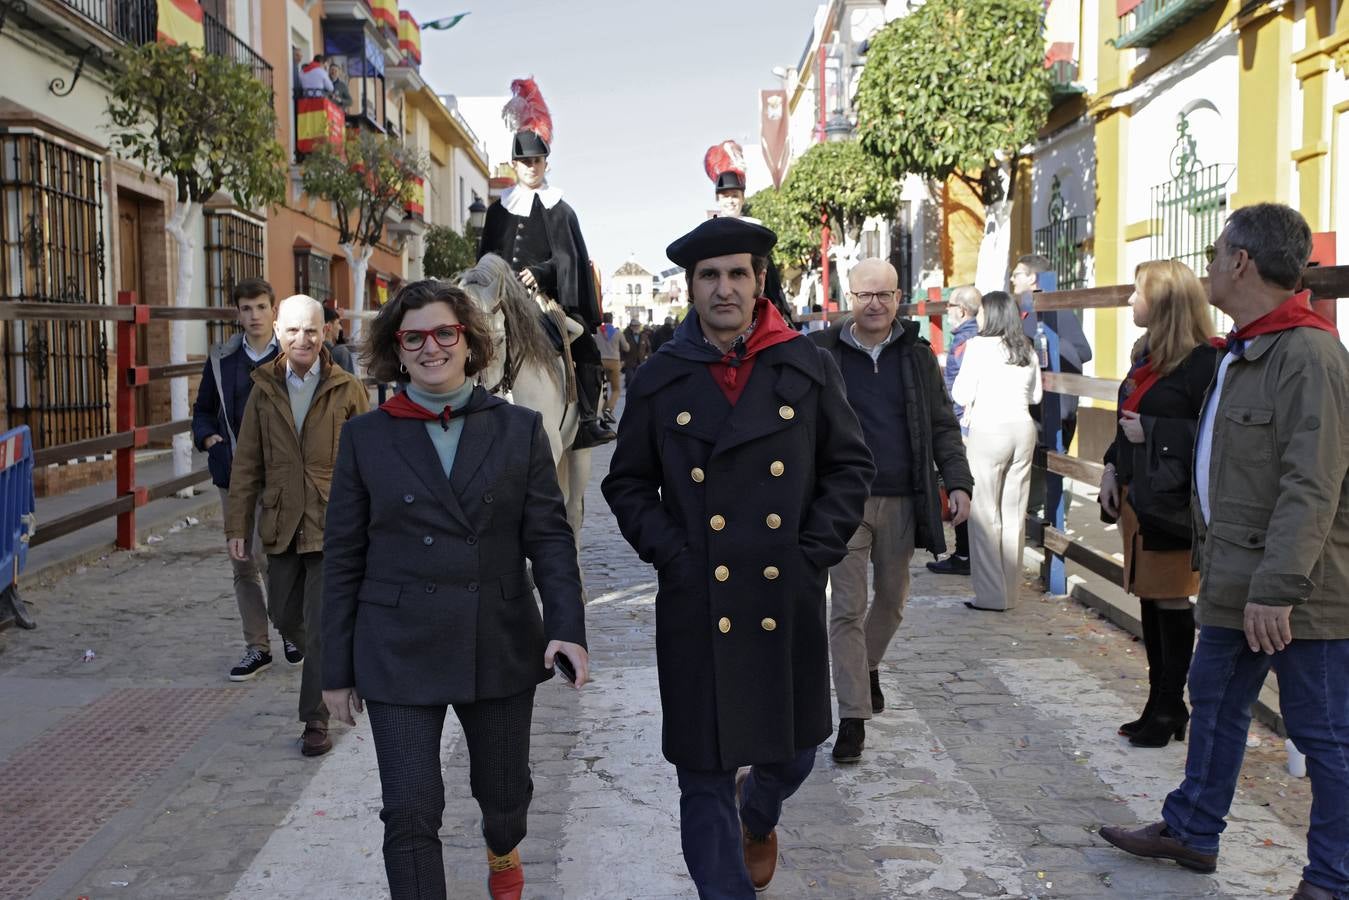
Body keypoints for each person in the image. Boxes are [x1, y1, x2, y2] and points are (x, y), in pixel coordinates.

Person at [603, 217, 873, 898]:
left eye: (736, 274)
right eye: (708, 276)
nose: (723, 288)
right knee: (700, 775)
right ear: (691, 288)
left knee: (794, 754)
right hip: (698, 600)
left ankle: (759, 810)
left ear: (758, 282)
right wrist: (672, 553)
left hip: (784, 594)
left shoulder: (807, 365)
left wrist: (812, 551)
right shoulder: (661, 377)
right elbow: (627, 482)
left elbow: (848, 468)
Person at [1100, 204, 1348, 900]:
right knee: (1211, 699)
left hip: (1295, 590)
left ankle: (1332, 877)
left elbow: (1312, 483)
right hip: (1238, 577)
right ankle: (1191, 828)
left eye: (1214, 255)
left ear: (1240, 262)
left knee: (1323, 735)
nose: (1207, 266)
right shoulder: (1246, 348)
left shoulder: (1307, 354)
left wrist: (1277, 587)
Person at [322, 280, 588, 900]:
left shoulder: (520, 429)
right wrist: (334, 669)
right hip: (397, 646)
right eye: (414, 336)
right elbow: (342, 559)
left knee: (504, 796)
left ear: (469, 341)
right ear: (396, 348)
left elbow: (549, 540)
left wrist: (567, 629)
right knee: (409, 811)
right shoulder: (366, 436)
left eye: (445, 332)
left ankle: (503, 847)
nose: (431, 347)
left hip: (494, 637)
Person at [809, 259, 972, 763]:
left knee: (894, 601)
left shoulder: (918, 356)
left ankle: (868, 664)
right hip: (843, 500)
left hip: (904, 496)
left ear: (899, 297)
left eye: (884, 294)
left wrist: (958, 482)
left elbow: (943, 423)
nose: (874, 304)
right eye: (865, 295)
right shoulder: (821, 352)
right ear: (848, 299)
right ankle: (853, 717)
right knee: (846, 609)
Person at [226, 294, 369, 757]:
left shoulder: (348, 388)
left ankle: (315, 721)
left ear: (325, 331)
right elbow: (246, 462)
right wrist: (237, 524)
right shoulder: (263, 387)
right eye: (292, 331)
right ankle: (338, 662)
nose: (302, 339)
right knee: (284, 616)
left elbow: (372, 463)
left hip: (333, 523)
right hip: (282, 521)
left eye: (311, 330)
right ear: (278, 333)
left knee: (321, 623)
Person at [1098, 261, 1218, 748]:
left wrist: (1156, 433)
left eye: (1137, 292)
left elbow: (1217, 437)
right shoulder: (1146, 356)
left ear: (1164, 303)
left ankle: (1170, 705)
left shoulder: (1204, 363)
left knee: (1170, 600)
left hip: (1171, 505)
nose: (1129, 301)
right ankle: (1160, 702)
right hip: (1139, 497)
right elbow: (1124, 418)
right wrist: (1110, 467)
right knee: (1150, 597)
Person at [477, 78, 614, 448]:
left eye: (536, 161)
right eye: (524, 161)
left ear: (545, 163)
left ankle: (589, 416)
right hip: (503, 299)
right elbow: (485, 258)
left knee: (581, 339)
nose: (531, 167)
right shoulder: (497, 211)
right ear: (515, 164)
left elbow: (571, 258)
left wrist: (541, 273)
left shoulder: (561, 208)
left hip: (545, 300)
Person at [191, 278, 301, 681]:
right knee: (242, 561)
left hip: (279, 478)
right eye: (245, 308)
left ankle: (291, 630)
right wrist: (210, 439)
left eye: (260, 307)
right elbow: (202, 411)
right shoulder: (223, 360)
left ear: (274, 310)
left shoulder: (293, 357)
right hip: (233, 476)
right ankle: (257, 647)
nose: (253, 315)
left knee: (272, 557)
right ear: (236, 313)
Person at [952, 291, 1042, 612]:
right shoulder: (1026, 348)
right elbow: (1036, 396)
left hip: (990, 430)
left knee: (985, 514)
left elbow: (961, 394)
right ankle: (1011, 592)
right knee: (1014, 512)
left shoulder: (978, 347)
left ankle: (991, 596)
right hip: (1023, 428)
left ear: (991, 315)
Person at [1010, 254, 1092, 517]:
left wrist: (1040, 346)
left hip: (1056, 408)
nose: (1012, 278)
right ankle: (1036, 526)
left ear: (1033, 278)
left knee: (1056, 469)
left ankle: (1055, 525)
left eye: (1018, 273)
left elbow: (1082, 351)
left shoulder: (1055, 310)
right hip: (1031, 408)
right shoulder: (1023, 310)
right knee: (1033, 469)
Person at [703, 140, 792, 323]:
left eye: (735, 195)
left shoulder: (757, 232)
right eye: (726, 196)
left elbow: (771, 281)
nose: (731, 201)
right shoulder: (707, 235)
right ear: (718, 199)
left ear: (742, 198)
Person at [927, 285, 982, 577]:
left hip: (963, 426)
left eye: (948, 307)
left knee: (960, 484)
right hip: (965, 423)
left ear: (960, 310)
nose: (946, 313)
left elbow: (959, 390)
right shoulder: (966, 339)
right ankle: (964, 552)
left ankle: (964, 554)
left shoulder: (966, 343)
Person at [592, 312, 628, 423]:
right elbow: (626, 347)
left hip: (600, 362)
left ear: (603, 319)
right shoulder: (617, 332)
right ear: (612, 320)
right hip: (614, 362)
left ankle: (602, 408)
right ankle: (609, 408)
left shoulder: (597, 331)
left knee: (603, 388)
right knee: (616, 389)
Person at [323, 306, 356, 374]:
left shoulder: (314, 352)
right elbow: (349, 383)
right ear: (329, 326)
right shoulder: (340, 352)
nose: (340, 328)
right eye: (338, 323)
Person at [621, 316, 650, 388]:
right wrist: (622, 360)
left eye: (638, 326)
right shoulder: (626, 336)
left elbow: (648, 348)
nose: (636, 327)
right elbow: (621, 349)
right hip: (629, 362)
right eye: (634, 326)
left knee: (641, 382)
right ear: (631, 327)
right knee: (629, 381)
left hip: (641, 362)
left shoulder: (644, 336)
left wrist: (647, 356)